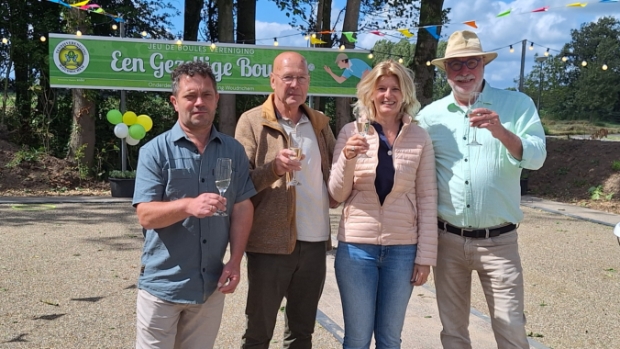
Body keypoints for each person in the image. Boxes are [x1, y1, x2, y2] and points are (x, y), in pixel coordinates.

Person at [417, 30, 547, 349]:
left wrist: (502, 132)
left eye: (471, 62)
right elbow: (411, 168)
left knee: (511, 328)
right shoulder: (429, 117)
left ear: (483, 65)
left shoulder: (517, 104)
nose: (463, 71)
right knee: (453, 331)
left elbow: (538, 157)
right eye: (455, 65)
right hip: (447, 240)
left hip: (499, 242)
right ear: (445, 71)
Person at [132, 61, 256, 349]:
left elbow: (242, 207)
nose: (199, 102)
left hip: (208, 288)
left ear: (217, 99)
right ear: (175, 102)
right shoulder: (155, 151)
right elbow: (146, 215)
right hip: (162, 288)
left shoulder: (233, 150)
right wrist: (187, 205)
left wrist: (235, 261)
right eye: (190, 96)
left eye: (207, 95)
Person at [328, 60, 438, 349]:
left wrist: (425, 257)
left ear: (405, 95)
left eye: (395, 89)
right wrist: (347, 157)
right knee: (357, 338)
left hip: (402, 250)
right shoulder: (352, 131)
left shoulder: (419, 137)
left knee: (390, 339)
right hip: (356, 248)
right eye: (381, 88)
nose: (388, 95)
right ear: (370, 93)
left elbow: (427, 198)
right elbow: (337, 194)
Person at [235, 51, 337, 349]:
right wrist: (274, 169)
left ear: (308, 82)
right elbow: (239, 185)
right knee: (258, 333)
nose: (295, 84)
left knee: (302, 333)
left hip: (315, 242)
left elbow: (337, 172)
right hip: (269, 244)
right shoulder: (252, 121)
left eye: (301, 78)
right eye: (288, 77)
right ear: (273, 80)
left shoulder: (318, 123)